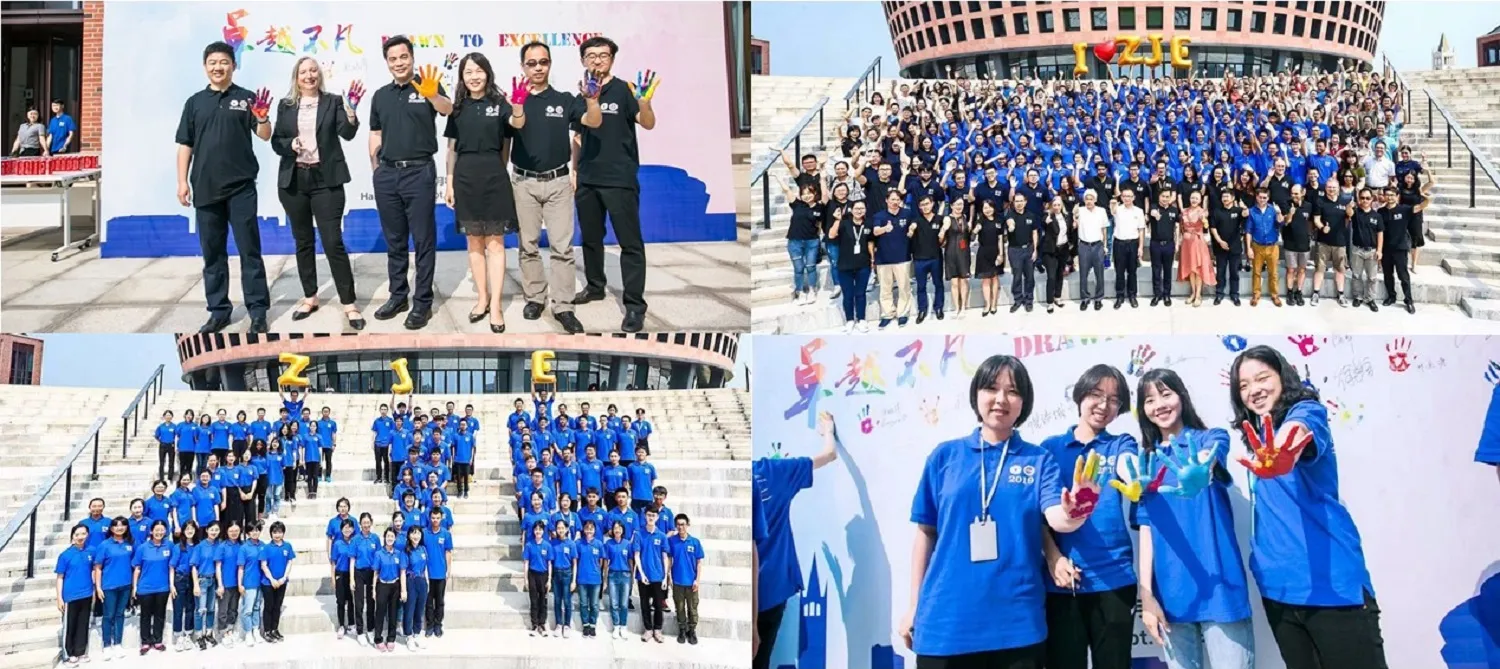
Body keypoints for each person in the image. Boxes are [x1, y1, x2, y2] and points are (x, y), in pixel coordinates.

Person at [902, 355, 1101, 668]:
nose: (1001, 399)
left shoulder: (1039, 460)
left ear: (1024, 402)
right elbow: (925, 533)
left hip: (1016, 628)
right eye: (992, 388)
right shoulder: (945, 456)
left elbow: (1057, 518)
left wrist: (1077, 510)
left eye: (1013, 391)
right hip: (945, 625)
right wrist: (913, 605)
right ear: (976, 394)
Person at [1228, 345, 1389, 669]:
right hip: (1279, 592)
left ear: (1282, 377)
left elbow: (1297, 432)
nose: (1254, 390)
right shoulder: (1258, 438)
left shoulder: (1306, 410)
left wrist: (1284, 450)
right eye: (1244, 385)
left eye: (1262, 378)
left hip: (1331, 587)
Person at [1134, 369, 1254, 669]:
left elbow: (1210, 457)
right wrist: (1146, 596)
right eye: (1149, 400)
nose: (1159, 405)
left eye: (1166, 394)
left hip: (1221, 591)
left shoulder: (1210, 438)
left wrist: (1201, 469)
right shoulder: (1145, 463)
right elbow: (1147, 532)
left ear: (1181, 397)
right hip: (1172, 597)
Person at [1039, 365, 1140, 669]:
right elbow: (1038, 517)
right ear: (1080, 395)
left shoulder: (1120, 443)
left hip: (1114, 579)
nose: (1104, 405)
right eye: (1096, 394)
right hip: (1062, 583)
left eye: (1114, 399)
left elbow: (1129, 466)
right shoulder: (1049, 449)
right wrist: (1053, 557)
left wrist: (1137, 477)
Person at [175, 41, 272, 334]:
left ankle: (258, 311)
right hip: (205, 189)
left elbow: (265, 135)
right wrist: (182, 181)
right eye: (213, 62)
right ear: (205, 67)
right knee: (213, 254)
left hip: (241, 187)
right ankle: (219, 311)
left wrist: (262, 117)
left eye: (224, 62)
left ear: (234, 65)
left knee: (249, 251)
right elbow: (185, 145)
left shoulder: (246, 98)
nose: (218, 67)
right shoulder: (194, 102)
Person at [509, 41, 599, 334]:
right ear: (523, 66)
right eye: (531, 63)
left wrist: (592, 101)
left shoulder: (564, 100)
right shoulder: (516, 99)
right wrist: (518, 106)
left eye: (543, 62)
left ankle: (563, 306)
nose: (538, 68)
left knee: (562, 247)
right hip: (524, 182)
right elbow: (515, 126)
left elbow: (592, 121)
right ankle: (535, 298)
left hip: (558, 182)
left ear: (549, 64)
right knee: (528, 245)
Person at [571, 36, 658, 333]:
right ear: (583, 60)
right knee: (590, 238)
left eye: (603, 55)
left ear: (612, 59)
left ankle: (634, 306)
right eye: (591, 55)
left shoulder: (625, 90)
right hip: (588, 179)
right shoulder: (581, 92)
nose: (597, 60)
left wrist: (644, 102)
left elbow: (647, 123)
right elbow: (577, 136)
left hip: (620, 178)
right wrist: (574, 171)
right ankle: (595, 286)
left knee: (630, 243)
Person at [270, 55, 363, 328]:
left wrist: (351, 112)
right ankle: (310, 296)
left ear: (319, 75)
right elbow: (276, 141)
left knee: (332, 241)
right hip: (295, 181)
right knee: (303, 241)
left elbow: (347, 133)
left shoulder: (333, 102)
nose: (309, 75)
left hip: (326, 180)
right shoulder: (286, 105)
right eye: (303, 72)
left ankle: (349, 303)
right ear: (296, 77)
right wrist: (290, 144)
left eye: (313, 71)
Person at [368, 35, 453, 330]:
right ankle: (398, 296)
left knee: (423, 240)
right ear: (387, 63)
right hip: (388, 175)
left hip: (419, 173)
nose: (399, 63)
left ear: (412, 57)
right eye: (393, 59)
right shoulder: (380, 95)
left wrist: (432, 95)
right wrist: (376, 170)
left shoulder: (427, 85)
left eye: (403, 57)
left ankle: (422, 302)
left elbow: (447, 109)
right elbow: (375, 133)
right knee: (395, 241)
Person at [442, 52, 524, 333]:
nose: (474, 76)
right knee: (474, 242)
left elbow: (514, 128)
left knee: (496, 243)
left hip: (494, 177)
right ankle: (482, 298)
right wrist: (449, 182)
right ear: (462, 77)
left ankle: (497, 305)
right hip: (465, 178)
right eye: (468, 72)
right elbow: (451, 149)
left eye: (479, 71)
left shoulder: (500, 103)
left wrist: (518, 107)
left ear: (487, 73)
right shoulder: (457, 108)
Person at [753, 411, 838, 669]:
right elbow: (829, 454)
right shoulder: (774, 471)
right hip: (771, 590)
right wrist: (828, 432)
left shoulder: (771, 471)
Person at [1381, 185, 1428, 314]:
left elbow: (1422, 206)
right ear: (1383, 196)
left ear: (1397, 197)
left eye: (1392, 195)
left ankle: (1409, 300)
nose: (1389, 197)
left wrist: (1426, 198)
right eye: (1387, 195)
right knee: (1388, 275)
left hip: (1400, 248)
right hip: (1386, 249)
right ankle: (1391, 297)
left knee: (1403, 276)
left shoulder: (1404, 209)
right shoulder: (1380, 211)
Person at [131, 520, 175, 655]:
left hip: (163, 587)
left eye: (162, 530)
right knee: (145, 615)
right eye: (157, 530)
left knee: (160, 615)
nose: (159, 532)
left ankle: (157, 640)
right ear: (151, 531)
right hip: (145, 588)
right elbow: (137, 568)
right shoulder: (142, 548)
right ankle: (145, 641)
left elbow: (172, 567)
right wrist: (135, 587)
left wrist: (171, 585)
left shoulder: (169, 546)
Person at [872, 190, 914, 329]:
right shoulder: (879, 215)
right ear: (887, 200)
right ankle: (887, 314)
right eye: (892, 199)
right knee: (885, 289)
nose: (895, 202)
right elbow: (875, 231)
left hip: (903, 257)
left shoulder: (907, 213)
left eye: (897, 199)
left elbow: (914, 224)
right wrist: (885, 228)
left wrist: (912, 229)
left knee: (904, 287)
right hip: (883, 258)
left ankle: (903, 314)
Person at [829, 199, 872, 332]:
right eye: (856, 208)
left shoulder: (868, 224)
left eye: (862, 208)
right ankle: (849, 320)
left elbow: (871, 243)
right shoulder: (844, 223)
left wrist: (873, 260)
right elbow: (831, 235)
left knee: (860, 293)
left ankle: (861, 319)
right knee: (848, 294)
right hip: (845, 266)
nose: (859, 211)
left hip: (863, 265)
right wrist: (837, 220)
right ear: (851, 210)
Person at [94, 517, 134, 659]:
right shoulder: (104, 545)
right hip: (109, 585)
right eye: (116, 526)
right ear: (111, 528)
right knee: (108, 615)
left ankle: (117, 643)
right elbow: (98, 568)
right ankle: (106, 645)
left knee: (120, 614)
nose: (119, 528)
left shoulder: (130, 544)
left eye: (122, 525)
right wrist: (98, 587)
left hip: (125, 585)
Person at [56, 524, 96, 665]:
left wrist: (94, 588)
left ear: (87, 535)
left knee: (83, 624)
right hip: (70, 596)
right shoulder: (65, 555)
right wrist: (59, 598)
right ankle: (68, 654)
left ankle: (80, 652)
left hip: (87, 594)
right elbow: (60, 577)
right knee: (70, 626)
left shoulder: (91, 551)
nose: (80, 537)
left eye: (83, 534)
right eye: (77, 534)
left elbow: (93, 570)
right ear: (72, 536)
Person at [781, 178, 825, 306]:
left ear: (815, 193)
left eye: (809, 193)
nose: (807, 196)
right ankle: (799, 291)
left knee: (811, 266)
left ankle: (812, 289)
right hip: (794, 242)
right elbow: (787, 190)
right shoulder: (797, 204)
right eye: (804, 193)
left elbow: (820, 225)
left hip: (812, 242)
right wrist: (778, 178)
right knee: (798, 268)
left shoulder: (820, 207)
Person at [1311, 178, 1355, 307]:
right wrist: (1322, 228)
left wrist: (1349, 208)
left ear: (1338, 188)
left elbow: (1350, 216)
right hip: (1323, 242)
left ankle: (1341, 294)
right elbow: (1316, 219)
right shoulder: (1320, 201)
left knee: (1340, 269)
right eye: (1329, 187)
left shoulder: (1345, 201)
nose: (1331, 189)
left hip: (1340, 242)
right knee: (1319, 268)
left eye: (1334, 187)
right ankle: (1315, 293)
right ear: (1325, 188)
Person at [634, 506, 669, 643]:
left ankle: (658, 630)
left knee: (658, 605)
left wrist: (665, 577)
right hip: (643, 576)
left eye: (653, 515)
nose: (650, 518)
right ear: (645, 516)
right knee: (644, 604)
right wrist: (641, 574)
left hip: (658, 576)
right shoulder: (639, 534)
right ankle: (648, 629)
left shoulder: (662, 536)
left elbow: (665, 557)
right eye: (648, 515)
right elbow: (637, 555)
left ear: (657, 517)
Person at [668, 514, 704, 645]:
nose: (680, 527)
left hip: (691, 582)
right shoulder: (672, 541)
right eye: (678, 524)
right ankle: (682, 630)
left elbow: (699, 563)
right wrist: (668, 576)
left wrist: (697, 580)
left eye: (683, 524)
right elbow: (669, 559)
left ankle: (692, 631)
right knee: (680, 607)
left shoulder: (695, 542)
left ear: (688, 525)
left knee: (692, 608)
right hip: (677, 581)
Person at [910, 194, 946, 323]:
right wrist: (910, 231)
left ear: (932, 204)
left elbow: (944, 239)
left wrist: (943, 237)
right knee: (921, 286)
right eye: (922, 205)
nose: (925, 207)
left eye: (927, 204)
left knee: (938, 284)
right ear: (919, 207)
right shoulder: (915, 221)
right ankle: (922, 310)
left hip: (936, 257)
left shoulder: (940, 219)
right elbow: (909, 234)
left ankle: (939, 307)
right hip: (919, 259)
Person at [1349, 188, 1386, 312]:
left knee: (1372, 277)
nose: (1365, 200)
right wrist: (1350, 206)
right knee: (1356, 275)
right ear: (1359, 199)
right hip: (1357, 250)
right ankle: (1358, 297)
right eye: (1362, 198)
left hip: (1372, 251)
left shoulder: (1377, 216)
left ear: (1372, 199)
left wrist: (1379, 250)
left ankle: (1370, 299)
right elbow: (1348, 213)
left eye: (1367, 198)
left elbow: (1380, 233)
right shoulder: (1355, 213)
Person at [1245, 189, 1283, 307]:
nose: (1262, 199)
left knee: (1274, 273)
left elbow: (1280, 223)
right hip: (1257, 246)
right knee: (1256, 272)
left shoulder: (1273, 210)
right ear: (1256, 197)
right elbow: (1248, 231)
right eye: (1260, 197)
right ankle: (1256, 294)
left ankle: (1275, 295)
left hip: (1272, 246)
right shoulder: (1252, 211)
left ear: (1268, 198)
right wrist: (1248, 248)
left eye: (1264, 197)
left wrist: (1279, 213)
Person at [371, 527, 407, 652]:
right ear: (384, 538)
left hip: (395, 586)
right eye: (388, 536)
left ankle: (391, 638)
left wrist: (403, 590)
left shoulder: (399, 553)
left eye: (392, 536)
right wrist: (373, 589)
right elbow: (375, 573)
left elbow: (402, 572)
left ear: (395, 538)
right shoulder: (379, 553)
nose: (390, 538)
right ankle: (378, 639)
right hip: (382, 585)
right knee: (380, 613)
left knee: (393, 613)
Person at [259, 521, 295, 643]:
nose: (277, 535)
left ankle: (275, 629)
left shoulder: (287, 546)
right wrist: (272, 579)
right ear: (271, 533)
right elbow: (264, 565)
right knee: (269, 606)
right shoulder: (266, 548)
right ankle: (267, 631)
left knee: (277, 606)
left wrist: (284, 578)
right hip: (268, 583)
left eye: (279, 532)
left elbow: (289, 562)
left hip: (282, 582)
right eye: (274, 532)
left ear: (283, 533)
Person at [1177, 190, 1216, 307]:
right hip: (1186, 243)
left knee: (1198, 269)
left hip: (1198, 242)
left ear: (1200, 200)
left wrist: (1204, 220)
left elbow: (1206, 225)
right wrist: (1179, 240)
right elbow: (1181, 227)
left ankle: (1198, 295)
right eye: (1192, 198)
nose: (1194, 200)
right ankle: (1193, 293)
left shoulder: (1203, 212)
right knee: (1190, 269)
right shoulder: (1184, 211)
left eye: (1196, 198)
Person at [1110, 189, 1146, 309]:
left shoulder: (1139, 211)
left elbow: (1141, 230)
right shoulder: (1117, 209)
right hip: (1119, 243)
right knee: (1119, 272)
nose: (1127, 198)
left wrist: (1140, 247)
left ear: (1133, 197)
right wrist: (1114, 201)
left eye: (1129, 196)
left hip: (1133, 243)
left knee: (1132, 272)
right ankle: (1119, 296)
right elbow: (1112, 209)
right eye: (1124, 196)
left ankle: (1132, 295)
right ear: (1121, 197)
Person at [1280, 185, 1315, 306]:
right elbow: (1285, 222)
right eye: (1292, 193)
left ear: (1303, 193)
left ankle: (1298, 292)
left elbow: (1310, 222)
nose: (1293, 196)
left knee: (1302, 269)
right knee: (1290, 269)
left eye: (1296, 193)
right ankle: (1290, 292)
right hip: (1290, 243)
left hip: (1304, 244)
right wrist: (1291, 213)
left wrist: (1309, 234)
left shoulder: (1309, 206)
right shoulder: (1286, 204)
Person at [423, 506, 453, 639]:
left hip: (441, 573)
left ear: (441, 519)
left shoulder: (446, 534)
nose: (435, 520)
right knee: (429, 601)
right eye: (433, 517)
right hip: (428, 574)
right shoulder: (424, 533)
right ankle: (429, 625)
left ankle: (438, 625)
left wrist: (448, 569)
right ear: (430, 518)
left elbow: (448, 552)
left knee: (440, 601)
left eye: (437, 518)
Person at [170, 521, 201, 651]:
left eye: (192, 528)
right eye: (187, 529)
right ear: (183, 531)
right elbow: (172, 567)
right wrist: (172, 585)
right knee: (178, 609)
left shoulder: (198, 546)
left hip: (193, 579)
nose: (189, 531)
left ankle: (188, 634)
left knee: (190, 608)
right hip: (180, 579)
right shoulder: (178, 547)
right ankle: (178, 636)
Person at [939, 197, 972, 317]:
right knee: (954, 282)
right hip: (951, 252)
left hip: (964, 252)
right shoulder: (947, 219)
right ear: (952, 206)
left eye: (961, 204)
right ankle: (956, 308)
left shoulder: (965, 217)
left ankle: (963, 307)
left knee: (963, 280)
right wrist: (943, 230)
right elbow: (940, 238)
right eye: (957, 204)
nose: (959, 207)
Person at [603, 520, 635, 639]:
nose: (617, 530)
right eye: (615, 528)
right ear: (612, 530)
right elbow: (606, 562)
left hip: (625, 575)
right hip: (613, 575)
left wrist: (632, 575)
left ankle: (623, 626)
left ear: (622, 530)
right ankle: (616, 626)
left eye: (619, 528)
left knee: (624, 603)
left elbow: (630, 560)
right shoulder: (608, 544)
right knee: (614, 602)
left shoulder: (627, 544)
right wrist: (605, 578)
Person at [191, 521, 220, 649]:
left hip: (213, 581)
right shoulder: (200, 546)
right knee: (200, 610)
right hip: (202, 580)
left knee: (211, 609)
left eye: (216, 530)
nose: (214, 532)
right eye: (212, 529)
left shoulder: (219, 545)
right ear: (207, 530)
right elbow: (194, 567)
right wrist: (195, 584)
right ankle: (199, 636)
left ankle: (208, 633)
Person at [574, 520, 606, 637]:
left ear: (595, 530)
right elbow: (575, 561)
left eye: (591, 528)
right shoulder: (578, 543)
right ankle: (585, 624)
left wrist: (598, 572)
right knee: (583, 603)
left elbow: (601, 561)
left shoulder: (599, 544)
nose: (589, 531)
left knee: (594, 604)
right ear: (583, 529)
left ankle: (593, 625)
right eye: (587, 528)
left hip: (595, 579)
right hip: (582, 578)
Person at [214, 522, 244, 647]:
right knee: (223, 611)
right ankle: (223, 633)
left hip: (237, 584)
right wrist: (220, 584)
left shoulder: (242, 545)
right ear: (226, 531)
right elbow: (218, 566)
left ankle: (230, 630)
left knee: (233, 609)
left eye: (236, 531)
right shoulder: (222, 546)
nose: (234, 533)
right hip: (225, 584)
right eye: (231, 531)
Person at [1038, 196, 1069, 312]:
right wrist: (1046, 222)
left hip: (1063, 249)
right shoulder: (1047, 216)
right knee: (1051, 277)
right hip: (1050, 251)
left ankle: (1057, 297)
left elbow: (1070, 231)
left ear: (1061, 206)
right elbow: (1043, 223)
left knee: (1060, 274)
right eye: (1054, 205)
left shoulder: (1066, 216)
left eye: (1058, 205)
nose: (1056, 207)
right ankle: (1050, 302)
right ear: (1051, 206)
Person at [236, 521, 265, 646]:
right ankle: (248, 633)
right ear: (247, 533)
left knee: (257, 608)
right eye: (252, 530)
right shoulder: (244, 548)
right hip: (249, 583)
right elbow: (240, 567)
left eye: (257, 530)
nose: (255, 532)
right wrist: (240, 584)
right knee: (247, 610)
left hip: (261, 582)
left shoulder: (263, 545)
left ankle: (256, 630)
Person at [401, 526, 430, 649]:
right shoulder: (406, 551)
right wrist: (403, 590)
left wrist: (427, 582)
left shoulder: (423, 549)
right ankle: (409, 636)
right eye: (413, 533)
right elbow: (402, 572)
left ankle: (417, 633)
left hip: (422, 581)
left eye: (418, 533)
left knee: (419, 609)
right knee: (409, 610)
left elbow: (425, 567)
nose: (416, 536)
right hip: (411, 581)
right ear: (409, 535)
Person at [523, 520, 553, 636]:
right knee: (534, 600)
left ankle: (542, 624)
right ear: (533, 531)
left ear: (543, 531)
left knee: (543, 601)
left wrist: (549, 579)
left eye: (540, 529)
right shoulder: (529, 545)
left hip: (543, 575)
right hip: (532, 574)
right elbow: (526, 562)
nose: (538, 531)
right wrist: (525, 579)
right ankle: (534, 624)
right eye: (536, 529)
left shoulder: (547, 545)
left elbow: (549, 564)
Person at [549, 518, 578, 637]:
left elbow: (575, 563)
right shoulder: (553, 543)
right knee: (557, 600)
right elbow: (550, 562)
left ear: (566, 529)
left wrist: (574, 581)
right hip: (556, 574)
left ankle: (567, 625)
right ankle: (558, 624)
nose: (560, 530)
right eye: (558, 528)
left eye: (562, 528)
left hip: (567, 574)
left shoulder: (571, 544)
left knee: (567, 600)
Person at [330, 517, 357, 639]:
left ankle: (351, 624)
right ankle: (341, 625)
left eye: (350, 527)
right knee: (340, 601)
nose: (347, 530)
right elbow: (333, 562)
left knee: (351, 601)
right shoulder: (337, 544)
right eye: (345, 528)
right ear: (341, 529)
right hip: (340, 574)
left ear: (353, 529)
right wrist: (333, 578)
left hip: (352, 574)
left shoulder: (355, 542)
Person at [317, 407, 338, 483]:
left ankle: (328, 476)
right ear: (322, 412)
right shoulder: (318, 423)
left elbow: (334, 434)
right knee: (319, 461)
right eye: (324, 411)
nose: (325, 413)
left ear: (329, 412)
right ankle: (319, 475)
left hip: (329, 445)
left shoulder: (332, 423)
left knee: (328, 461)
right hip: (320, 445)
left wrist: (334, 444)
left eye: (327, 411)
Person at [155, 411, 178, 482]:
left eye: (170, 415)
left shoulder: (174, 426)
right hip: (163, 445)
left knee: (171, 462)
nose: (168, 417)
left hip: (171, 445)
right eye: (167, 415)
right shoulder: (161, 426)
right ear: (164, 416)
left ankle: (170, 478)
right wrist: (161, 441)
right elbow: (156, 436)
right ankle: (161, 478)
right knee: (162, 462)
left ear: (172, 416)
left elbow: (177, 435)